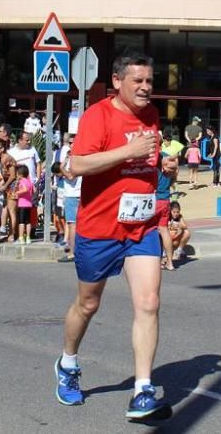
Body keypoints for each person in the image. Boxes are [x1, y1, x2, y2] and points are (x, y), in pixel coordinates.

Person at [55, 52, 179, 420]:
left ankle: (143, 390)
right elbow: (77, 165)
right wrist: (129, 150)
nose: (145, 87)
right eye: (137, 81)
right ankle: (67, 362)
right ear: (116, 81)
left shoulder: (152, 115)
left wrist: (165, 169)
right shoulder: (98, 116)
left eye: (150, 81)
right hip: (100, 227)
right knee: (88, 304)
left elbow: (148, 162)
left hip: (140, 227)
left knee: (149, 302)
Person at [59, 136, 81, 262]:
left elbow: (71, 176)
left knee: (72, 224)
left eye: (72, 143)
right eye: (70, 143)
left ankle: (72, 252)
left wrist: (62, 169)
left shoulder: (75, 158)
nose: (70, 145)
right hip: (76, 194)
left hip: (73, 194)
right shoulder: (72, 157)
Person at [155, 148, 176, 270]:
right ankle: (170, 262)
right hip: (166, 200)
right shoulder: (170, 161)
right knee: (164, 230)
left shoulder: (157, 160)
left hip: (155, 198)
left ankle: (156, 260)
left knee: (150, 231)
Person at [14, 165, 34, 244]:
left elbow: (25, 189)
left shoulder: (22, 181)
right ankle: (28, 237)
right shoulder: (29, 181)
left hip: (22, 204)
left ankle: (21, 237)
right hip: (29, 204)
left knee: (21, 222)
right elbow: (33, 190)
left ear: (20, 174)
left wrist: (17, 192)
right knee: (28, 222)